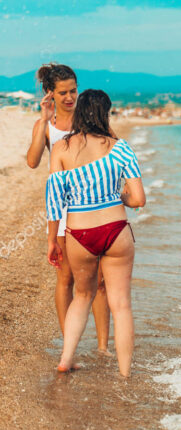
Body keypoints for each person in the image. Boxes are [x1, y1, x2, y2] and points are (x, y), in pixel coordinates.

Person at [46, 89, 146, 377]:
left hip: (78, 233)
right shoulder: (120, 147)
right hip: (115, 231)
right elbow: (138, 199)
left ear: (79, 112)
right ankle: (125, 374)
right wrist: (120, 196)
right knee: (121, 304)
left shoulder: (62, 149)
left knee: (82, 295)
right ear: (106, 114)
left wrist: (53, 241)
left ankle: (65, 360)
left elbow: (54, 201)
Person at [27, 64, 111, 354]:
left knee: (99, 282)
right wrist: (43, 121)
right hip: (62, 208)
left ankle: (103, 348)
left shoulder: (88, 117)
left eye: (74, 91)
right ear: (50, 93)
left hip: (94, 204)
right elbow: (33, 161)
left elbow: (111, 145)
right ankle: (69, 346)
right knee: (66, 278)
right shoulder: (44, 126)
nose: (70, 97)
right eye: (63, 92)